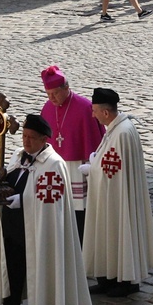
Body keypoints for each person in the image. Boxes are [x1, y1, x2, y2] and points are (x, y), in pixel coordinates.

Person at [0, 114, 93, 305]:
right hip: (13, 227)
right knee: (12, 274)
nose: (26, 141)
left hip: (41, 232)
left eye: (31, 137)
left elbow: (52, 200)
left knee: (45, 271)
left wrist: (23, 200)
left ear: (44, 139)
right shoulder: (18, 156)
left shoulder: (54, 164)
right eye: (23, 136)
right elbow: (5, 176)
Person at [84, 88, 153, 298]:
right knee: (108, 233)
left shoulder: (123, 132)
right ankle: (107, 277)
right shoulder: (115, 129)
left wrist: (92, 168)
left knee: (119, 231)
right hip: (110, 194)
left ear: (105, 113)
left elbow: (113, 170)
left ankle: (125, 281)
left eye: (95, 111)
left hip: (118, 197)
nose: (93, 115)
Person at [40, 65, 105, 243]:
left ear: (66, 88)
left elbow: (96, 141)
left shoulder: (85, 107)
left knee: (80, 209)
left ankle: (84, 244)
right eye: (48, 94)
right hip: (55, 167)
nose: (51, 98)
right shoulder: (47, 108)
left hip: (78, 167)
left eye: (55, 93)